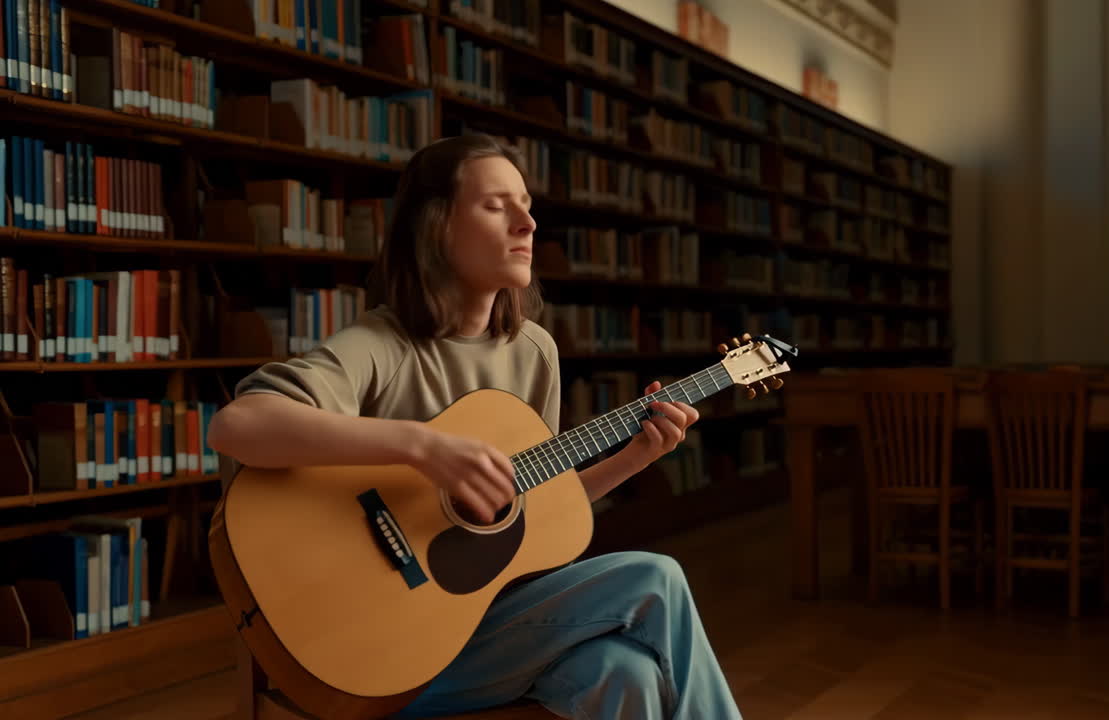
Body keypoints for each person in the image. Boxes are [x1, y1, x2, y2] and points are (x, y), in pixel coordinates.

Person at [206, 133, 743, 720]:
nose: (527, 224)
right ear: (435, 227)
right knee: (654, 577)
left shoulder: (533, 351)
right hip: (391, 656)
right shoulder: (382, 345)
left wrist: (633, 458)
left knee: (625, 674)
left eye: (526, 206)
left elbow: (532, 522)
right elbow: (238, 424)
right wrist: (420, 447)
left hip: (495, 629)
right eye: (496, 206)